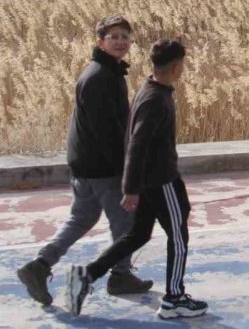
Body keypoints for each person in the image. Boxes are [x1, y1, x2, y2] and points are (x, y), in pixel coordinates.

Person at [67, 39, 208, 319]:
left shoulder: (150, 88)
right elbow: (137, 144)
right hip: (159, 181)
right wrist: (130, 189)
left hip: (155, 180)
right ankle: (174, 298)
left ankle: (87, 274)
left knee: (138, 234)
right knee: (179, 237)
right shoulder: (156, 99)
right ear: (177, 67)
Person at [17, 15, 152, 305]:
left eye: (125, 37)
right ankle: (120, 275)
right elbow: (105, 132)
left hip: (85, 163)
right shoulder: (100, 77)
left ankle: (40, 265)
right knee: (125, 223)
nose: (120, 41)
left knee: (82, 218)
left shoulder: (107, 72)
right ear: (100, 41)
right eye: (113, 36)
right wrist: (127, 173)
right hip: (101, 167)